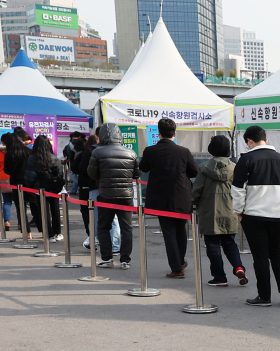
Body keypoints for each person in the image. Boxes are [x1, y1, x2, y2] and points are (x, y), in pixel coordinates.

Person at [232, 125, 280, 306]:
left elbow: (237, 190)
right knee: (277, 253)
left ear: (249, 141)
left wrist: (239, 212)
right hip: (277, 214)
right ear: (265, 139)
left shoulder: (246, 160)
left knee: (260, 256)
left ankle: (264, 296)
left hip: (254, 215)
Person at [140, 118, 198, 278]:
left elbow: (143, 167)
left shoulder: (150, 151)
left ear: (158, 133)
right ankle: (179, 261)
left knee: (168, 232)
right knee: (181, 230)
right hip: (182, 196)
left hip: (160, 197)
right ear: (175, 133)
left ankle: (177, 267)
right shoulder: (184, 151)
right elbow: (194, 171)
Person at [192, 135, 247, 287]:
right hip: (230, 211)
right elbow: (241, 190)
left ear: (211, 150)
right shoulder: (236, 168)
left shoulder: (204, 168)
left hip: (210, 213)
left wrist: (192, 204)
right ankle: (238, 267)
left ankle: (219, 277)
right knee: (230, 244)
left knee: (213, 246)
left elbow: (197, 191)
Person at [87, 123, 138, 269]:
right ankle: (125, 260)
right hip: (126, 195)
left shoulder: (97, 152)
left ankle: (107, 258)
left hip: (106, 194)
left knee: (103, 227)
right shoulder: (130, 152)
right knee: (126, 228)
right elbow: (137, 173)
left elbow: (91, 173)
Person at [23, 135, 65, 240]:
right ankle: (57, 232)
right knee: (55, 210)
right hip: (54, 188)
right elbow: (60, 173)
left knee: (43, 211)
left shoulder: (32, 159)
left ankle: (48, 234)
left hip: (39, 189)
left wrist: (31, 186)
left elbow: (30, 176)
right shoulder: (54, 157)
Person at [1, 131, 32, 235]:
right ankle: (44, 230)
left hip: (16, 182)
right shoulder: (28, 151)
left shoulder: (9, 154)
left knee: (20, 207)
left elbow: (7, 170)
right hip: (29, 182)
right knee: (35, 206)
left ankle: (26, 231)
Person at [72, 134, 97, 241]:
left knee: (86, 210)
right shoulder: (103, 152)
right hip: (99, 185)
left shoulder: (85, 153)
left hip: (85, 185)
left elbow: (75, 167)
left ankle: (90, 233)